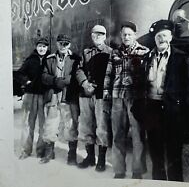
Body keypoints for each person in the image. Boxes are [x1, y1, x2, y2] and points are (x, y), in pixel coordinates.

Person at [133, 19, 189, 181]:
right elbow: (138, 86)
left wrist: (186, 116)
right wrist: (139, 110)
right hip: (152, 110)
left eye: (165, 35)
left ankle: (175, 183)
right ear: (154, 38)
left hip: (173, 112)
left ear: (171, 37)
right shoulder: (147, 58)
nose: (162, 39)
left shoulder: (181, 58)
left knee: (174, 155)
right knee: (156, 154)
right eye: (159, 36)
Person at [103, 21, 149, 179]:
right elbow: (108, 76)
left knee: (138, 136)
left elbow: (147, 77)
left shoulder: (144, 52)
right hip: (117, 99)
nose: (126, 37)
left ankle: (137, 170)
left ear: (135, 35)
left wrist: (135, 79)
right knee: (118, 135)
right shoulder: (115, 53)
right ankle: (119, 170)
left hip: (135, 100)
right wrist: (106, 97)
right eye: (124, 34)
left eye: (129, 34)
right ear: (121, 36)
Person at [40, 34, 81, 164]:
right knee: (51, 124)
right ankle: (49, 152)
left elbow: (78, 74)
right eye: (60, 43)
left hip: (68, 96)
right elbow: (44, 76)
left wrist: (67, 81)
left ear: (69, 45)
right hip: (53, 96)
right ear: (57, 44)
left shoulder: (75, 58)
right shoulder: (49, 59)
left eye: (66, 44)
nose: (63, 46)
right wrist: (54, 80)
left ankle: (72, 154)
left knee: (70, 125)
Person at [76, 25, 112, 172]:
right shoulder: (86, 52)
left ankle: (101, 160)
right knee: (85, 126)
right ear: (91, 36)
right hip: (86, 94)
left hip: (100, 96)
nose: (98, 37)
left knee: (102, 127)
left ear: (105, 36)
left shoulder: (110, 52)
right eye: (95, 34)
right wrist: (84, 83)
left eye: (101, 34)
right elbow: (79, 69)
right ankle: (90, 157)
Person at [16, 37, 50, 159]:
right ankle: (26, 150)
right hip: (30, 95)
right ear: (36, 47)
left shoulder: (49, 59)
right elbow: (19, 73)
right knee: (27, 123)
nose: (42, 48)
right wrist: (26, 82)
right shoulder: (30, 60)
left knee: (43, 123)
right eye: (40, 46)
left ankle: (41, 150)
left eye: (44, 46)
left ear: (47, 48)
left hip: (43, 95)